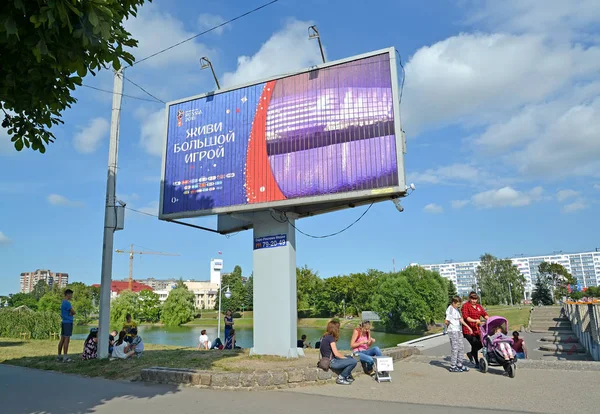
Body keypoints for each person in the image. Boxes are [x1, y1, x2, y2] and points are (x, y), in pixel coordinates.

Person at [320, 320, 357, 385]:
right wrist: (345, 358)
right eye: (338, 328)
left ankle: (347, 375)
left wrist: (346, 357)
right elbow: (336, 354)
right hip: (332, 362)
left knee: (349, 357)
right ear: (335, 329)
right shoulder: (331, 338)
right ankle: (341, 377)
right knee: (353, 361)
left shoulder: (324, 337)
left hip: (326, 359)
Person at [461, 291, 489, 367]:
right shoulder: (465, 306)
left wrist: (489, 319)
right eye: (472, 299)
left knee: (482, 343)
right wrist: (475, 320)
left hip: (477, 330)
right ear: (469, 298)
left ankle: (471, 354)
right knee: (474, 343)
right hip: (468, 330)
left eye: (475, 299)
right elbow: (466, 317)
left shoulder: (478, 306)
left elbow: (484, 314)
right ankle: (476, 362)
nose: (474, 301)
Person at [445, 296, 472, 372]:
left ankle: (459, 364)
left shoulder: (456, 309)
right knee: (455, 348)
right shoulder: (450, 309)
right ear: (453, 303)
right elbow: (446, 321)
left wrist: (468, 327)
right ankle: (453, 366)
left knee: (461, 347)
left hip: (457, 330)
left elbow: (460, 319)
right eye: (457, 304)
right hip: (453, 331)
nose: (458, 306)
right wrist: (448, 325)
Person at [57, 289, 76, 362]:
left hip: (64, 322)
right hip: (68, 322)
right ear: (67, 294)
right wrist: (71, 313)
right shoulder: (67, 303)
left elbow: (62, 314)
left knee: (62, 339)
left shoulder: (62, 303)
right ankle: (65, 357)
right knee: (66, 340)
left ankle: (59, 356)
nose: (71, 296)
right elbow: (73, 312)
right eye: (71, 294)